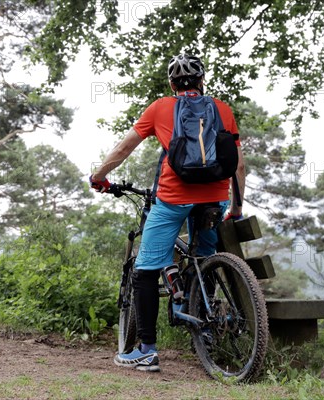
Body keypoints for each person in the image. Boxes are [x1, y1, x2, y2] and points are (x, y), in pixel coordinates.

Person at [89, 54, 246, 372]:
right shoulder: (222, 109)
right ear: (202, 81)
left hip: (174, 198)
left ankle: (146, 351)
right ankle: (206, 330)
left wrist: (99, 177)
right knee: (205, 261)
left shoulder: (161, 107)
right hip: (215, 200)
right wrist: (237, 207)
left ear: (172, 84)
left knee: (145, 271)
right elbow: (239, 164)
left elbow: (123, 149)